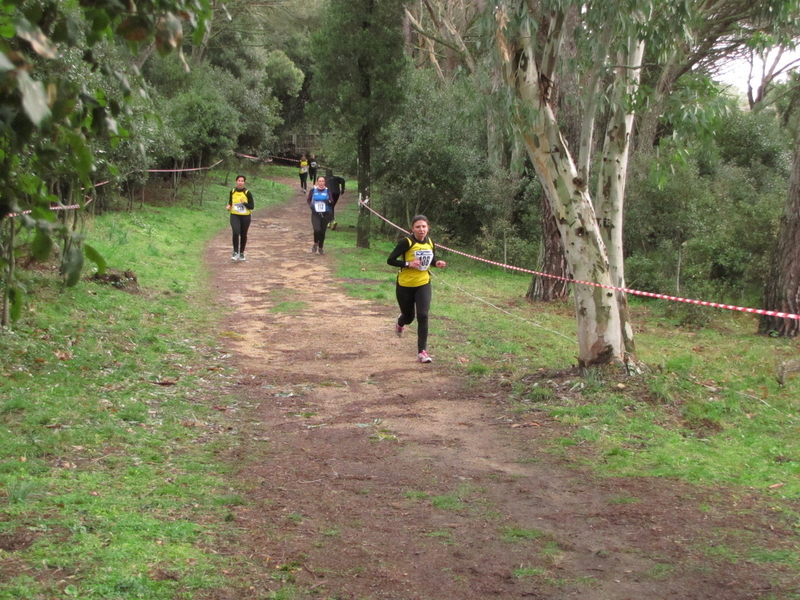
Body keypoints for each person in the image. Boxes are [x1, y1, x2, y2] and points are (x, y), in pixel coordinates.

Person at [386, 215, 447, 363]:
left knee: (423, 315)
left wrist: (437, 263)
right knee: (409, 317)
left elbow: (430, 259)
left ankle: (422, 352)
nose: (421, 229)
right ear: (412, 228)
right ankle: (400, 323)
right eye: (418, 227)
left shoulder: (430, 242)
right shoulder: (406, 242)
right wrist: (408, 264)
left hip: (423, 283)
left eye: (424, 227)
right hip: (405, 285)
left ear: (428, 228)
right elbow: (390, 260)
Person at [226, 175, 254, 261]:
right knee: (236, 232)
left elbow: (252, 206)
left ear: (244, 182)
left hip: (245, 216)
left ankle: (241, 253)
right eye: (238, 180)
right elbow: (231, 202)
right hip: (235, 215)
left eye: (242, 181)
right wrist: (229, 206)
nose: (240, 182)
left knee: (243, 234)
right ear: (236, 181)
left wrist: (244, 203)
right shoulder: (233, 191)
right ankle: (235, 252)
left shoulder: (247, 193)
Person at [307, 176, 333, 255]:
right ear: (317, 182)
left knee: (322, 231)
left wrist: (328, 201)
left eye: (323, 181)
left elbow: (332, 201)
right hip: (316, 213)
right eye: (320, 181)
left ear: (325, 183)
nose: (321, 183)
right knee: (317, 229)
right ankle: (315, 243)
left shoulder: (328, 191)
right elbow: (309, 200)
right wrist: (311, 206)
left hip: (325, 214)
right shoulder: (313, 191)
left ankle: (321, 247)